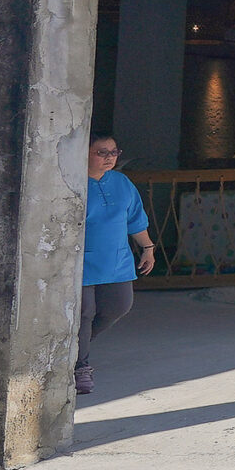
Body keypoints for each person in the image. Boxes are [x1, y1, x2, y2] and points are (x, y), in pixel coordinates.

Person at [79, 134, 154, 398]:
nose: (109, 157)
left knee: (118, 306)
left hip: (117, 259)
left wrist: (147, 248)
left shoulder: (122, 182)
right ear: (85, 152)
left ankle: (78, 346)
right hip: (82, 261)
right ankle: (80, 366)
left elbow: (135, 218)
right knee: (84, 313)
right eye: (102, 152)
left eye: (114, 152)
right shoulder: (73, 181)